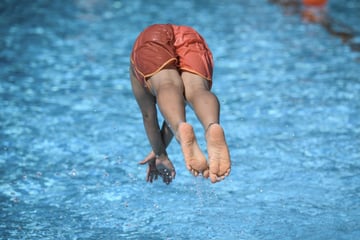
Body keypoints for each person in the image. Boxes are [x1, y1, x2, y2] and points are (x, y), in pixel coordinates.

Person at [129, 24, 231, 184]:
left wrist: (160, 154)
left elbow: (149, 116)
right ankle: (212, 126)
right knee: (197, 90)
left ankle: (179, 125)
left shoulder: (136, 69)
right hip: (190, 34)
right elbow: (179, 104)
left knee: (165, 84)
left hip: (151, 36)